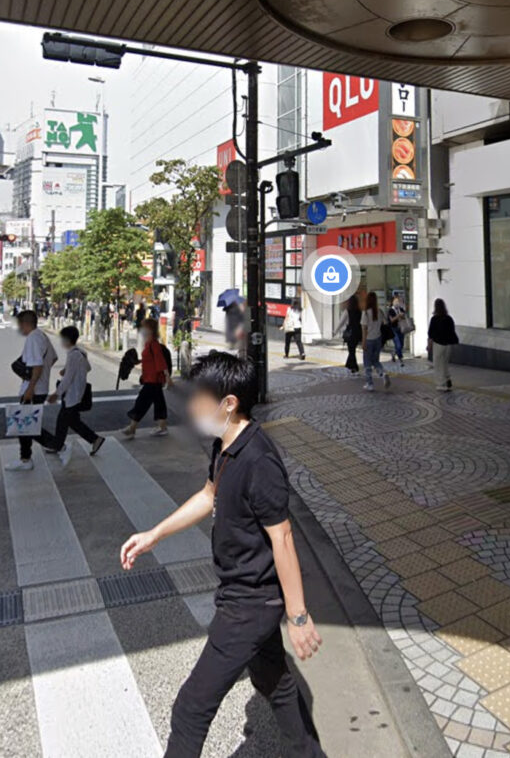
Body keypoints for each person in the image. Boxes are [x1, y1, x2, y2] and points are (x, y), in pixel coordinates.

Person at [119, 352, 326, 757]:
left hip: (250, 603)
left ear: (228, 403)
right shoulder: (227, 445)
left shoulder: (259, 460)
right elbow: (209, 494)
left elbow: (282, 536)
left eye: (200, 397)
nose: (192, 406)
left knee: (191, 709)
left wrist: (298, 617)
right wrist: (155, 534)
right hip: (243, 592)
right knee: (277, 685)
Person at [4, 310, 59, 471]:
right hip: (40, 388)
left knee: (25, 425)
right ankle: (30, 455)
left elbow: (37, 365)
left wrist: (30, 387)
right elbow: (53, 358)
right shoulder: (42, 336)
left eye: (19, 325)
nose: (19, 328)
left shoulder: (33, 339)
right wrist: (43, 377)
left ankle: (51, 447)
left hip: (33, 390)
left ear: (25, 324)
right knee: (27, 424)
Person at [41, 326, 104, 465]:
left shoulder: (74, 355)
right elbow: (88, 368)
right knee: (68, 421)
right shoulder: (80, 352)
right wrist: (68, 369)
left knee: (67, 420)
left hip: (72, 394)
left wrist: (56, 394)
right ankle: (58, 445)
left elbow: (68, 379)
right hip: (77, 393)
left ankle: (94, 439)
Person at [123, 318, 171, 438]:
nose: (142, 330)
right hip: (149, 379)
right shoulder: (148, 344)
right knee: (159, 403)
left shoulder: (154, 345)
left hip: (153, 380)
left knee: (141, 402)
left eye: (144, 327)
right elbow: (149, 360)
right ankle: (162, 427)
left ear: (150, 330)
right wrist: (136, 361)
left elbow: (160, 362)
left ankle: (132, 428)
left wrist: (167, 377)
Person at [427, 298, 459, 392]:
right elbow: (452, 331)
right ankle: (447, 378)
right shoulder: (449, 318)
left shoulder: (434, 319)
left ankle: (441, 383)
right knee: (445, 363)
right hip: (448, 344)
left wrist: (429, 344)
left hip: (438, 344)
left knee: (438, 364)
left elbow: (430, 333)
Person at [361, 292, 389, 392]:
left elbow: (364, 329)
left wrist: (363, 342)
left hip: (369, 340)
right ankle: (382, 373)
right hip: (378, 339)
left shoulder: (366, 313)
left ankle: (370, 383)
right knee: (375, 360)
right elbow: (385, 323)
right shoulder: (379, 312)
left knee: (367, 362)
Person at [337, 295, 361, 376]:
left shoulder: (347, 311)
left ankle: (355, 368)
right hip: (358, 334)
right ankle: (349, 366)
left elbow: (341, 322)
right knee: (352, 350)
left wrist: (335, 331)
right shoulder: (359, 311)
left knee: (351, 351)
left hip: (350, 334)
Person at [387, 294, 407, 367]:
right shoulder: (390, 310)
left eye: (398, 301)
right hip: (393, 329)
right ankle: (400, 360)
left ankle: (393, 353)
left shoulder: (401, 309)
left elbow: (405, 318)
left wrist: (403, 316)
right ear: (393, 302)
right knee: (398, 344)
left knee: (401, 345)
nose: (397, 303)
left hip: (401, 329)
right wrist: (398, 316)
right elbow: (391, 320)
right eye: (396, 301)